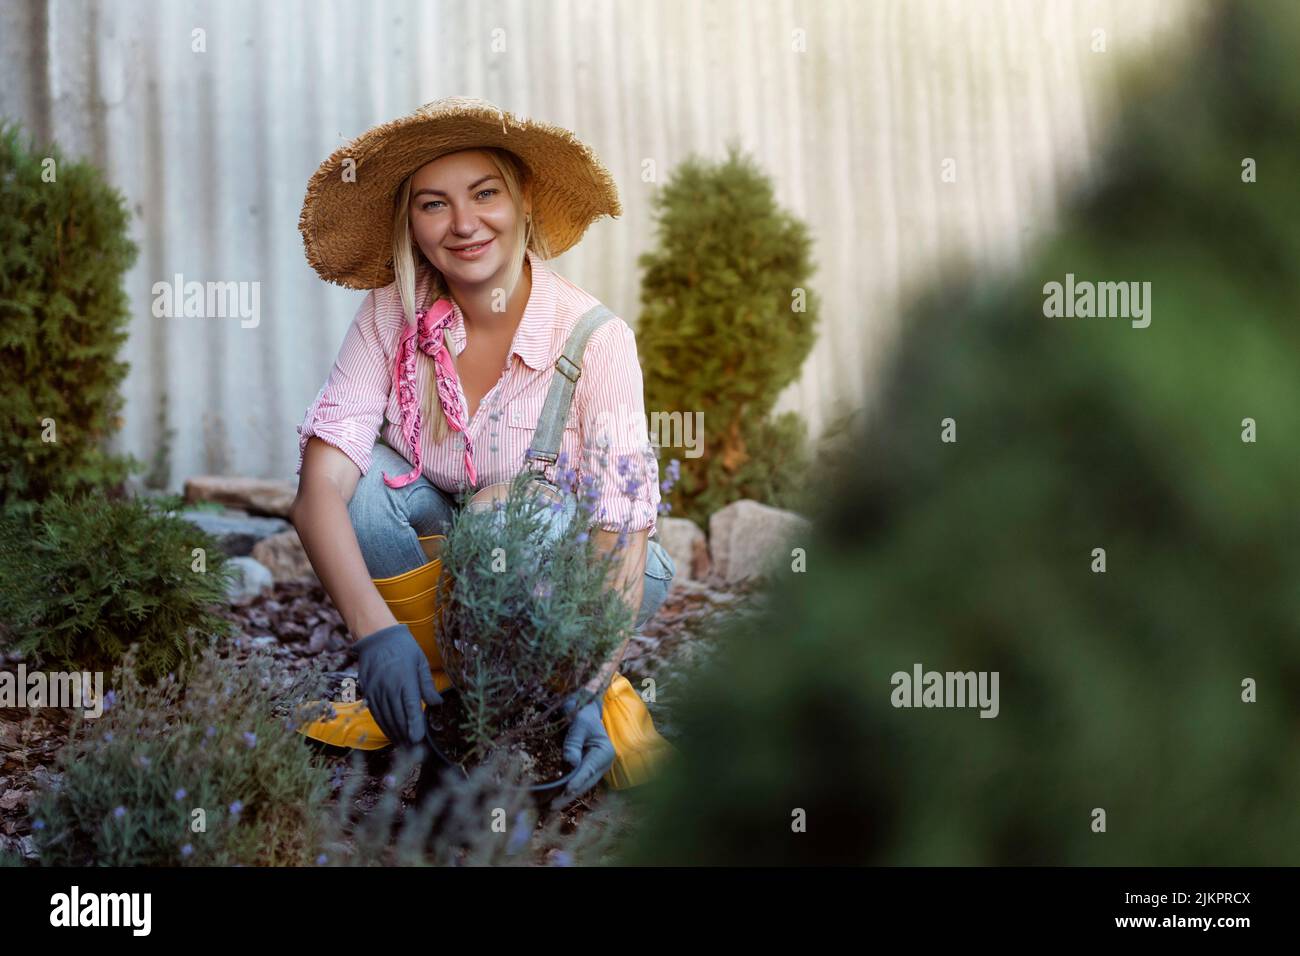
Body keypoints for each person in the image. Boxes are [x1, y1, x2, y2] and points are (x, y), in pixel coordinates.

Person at [290, 96, 675, 802]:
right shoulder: (389, 315)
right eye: (434, 204)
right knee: (364, 483)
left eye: (484, 194)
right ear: (411, 223)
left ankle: (547, 698)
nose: (464, 225)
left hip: (576, 573)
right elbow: (317, 493)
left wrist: (590, 683)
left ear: (523, 201)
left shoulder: (595, 339)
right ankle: (434, 692)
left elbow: (623, 533)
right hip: (448, 568)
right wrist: (373, 633)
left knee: (504, 513)